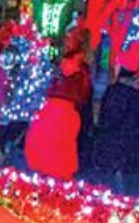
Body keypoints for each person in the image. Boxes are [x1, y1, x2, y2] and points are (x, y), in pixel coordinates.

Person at [93, 40, 139, 191]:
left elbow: (107, 124)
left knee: (112, 193)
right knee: (131, 195)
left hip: (114, 157)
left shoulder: (116, 93)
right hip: (133, 159)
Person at [25, 48, 91, 180]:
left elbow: (35, 137)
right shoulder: (75, 97)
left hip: (45, 164)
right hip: (60, 168)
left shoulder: (52, 97)